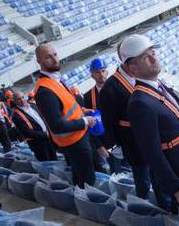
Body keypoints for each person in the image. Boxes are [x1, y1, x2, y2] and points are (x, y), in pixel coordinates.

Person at [127, 34, 179, 214]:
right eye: (146, 57)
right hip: (178, 175)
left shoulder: (158, 84)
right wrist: (175, 186)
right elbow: (152, 153)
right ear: (133, 68)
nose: (154, 58)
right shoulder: (140, 103)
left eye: (153, 52)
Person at [34, 43, 96, 188]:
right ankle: (87, 205)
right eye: (48, 57)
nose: (55, 59)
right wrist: (85, 121)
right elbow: (57, 126)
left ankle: (80, 196)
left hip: (77, 138)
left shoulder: (55, 79)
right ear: (39, 61)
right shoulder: (44, 91)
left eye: (55, 54)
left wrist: (81, 110)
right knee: (88, 181)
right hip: (74, 142)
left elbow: (66, 106)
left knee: (79, 174)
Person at [99, 39, 154, 200]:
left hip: (153, 139)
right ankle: (144, 208)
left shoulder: (144, 77)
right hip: (134, 143)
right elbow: (109, 122)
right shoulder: (110, 88)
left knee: (159, 178)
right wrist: (116, 145)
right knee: (143, 180)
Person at [12, 91, 57, 161]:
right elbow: (26, 132)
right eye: (19, 99)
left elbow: (42, 118)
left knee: (55, 158)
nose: (22, 100)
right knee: (46, 163)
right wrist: (44, 134)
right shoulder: (16, 116)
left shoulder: (33, 105)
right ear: (15, 101)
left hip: (48, 137)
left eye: (23, 97)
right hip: (38, 143)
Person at [83, 58, 110, 172]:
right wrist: (99, 146)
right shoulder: (88, 97)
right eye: (97, 72)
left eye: (103, 70)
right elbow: (90, 125)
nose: (101, 74)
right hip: (106, 143)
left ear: (107, 72)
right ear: (92, 75)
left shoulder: (118, 88)